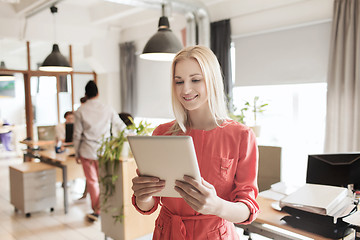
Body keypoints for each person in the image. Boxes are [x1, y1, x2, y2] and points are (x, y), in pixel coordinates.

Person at [131, 46, 259, 239]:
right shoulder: (162, 133)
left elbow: (248, 209)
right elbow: (148, 205)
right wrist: (144, 196)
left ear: (212, 80)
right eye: (179, 81)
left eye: (196, 80)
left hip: (215, 234)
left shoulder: (240, 136)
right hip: (168, 233)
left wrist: (217, 206)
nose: (186, 89)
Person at [73, 80, 126, 222]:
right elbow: (120, 125)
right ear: (97, 93)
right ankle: (106, 208)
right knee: (104, 181)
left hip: (87, 151)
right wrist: (133, 136)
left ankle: (97, 210)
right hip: (105, 151)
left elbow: (77, 134)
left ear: (86, 94)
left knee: (92, 182)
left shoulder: (80, 111)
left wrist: (76, 152)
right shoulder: (107, 108)